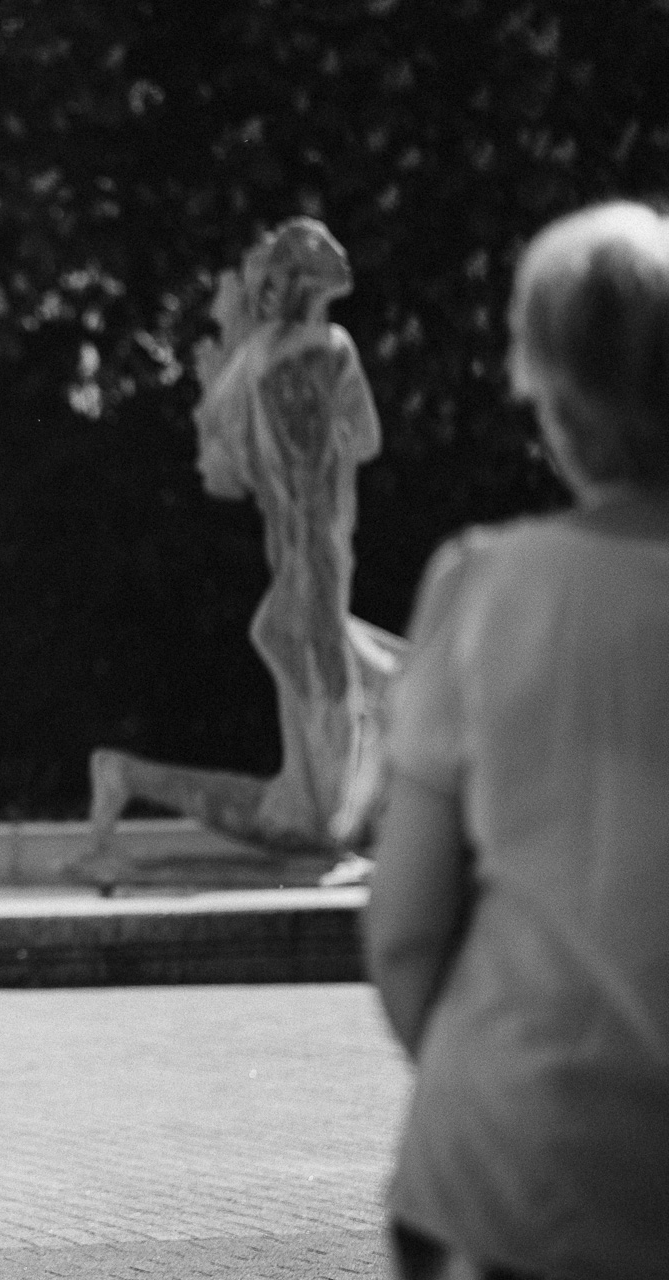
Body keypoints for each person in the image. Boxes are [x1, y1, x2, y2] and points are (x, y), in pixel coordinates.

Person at [364, 200, 669, 1280]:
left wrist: (487, 1084)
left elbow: (403, 932)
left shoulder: (482, 584)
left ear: (546, 387)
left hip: (504, 1172)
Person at [86, 217, 395, 881]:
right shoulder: (327, 349)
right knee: (320, 710)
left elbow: (229, 463)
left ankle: (124, 776)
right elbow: (360, 442)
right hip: (315, 553)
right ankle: (335, 825)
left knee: (317, 702)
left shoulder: (260, 358)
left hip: (298, 554)